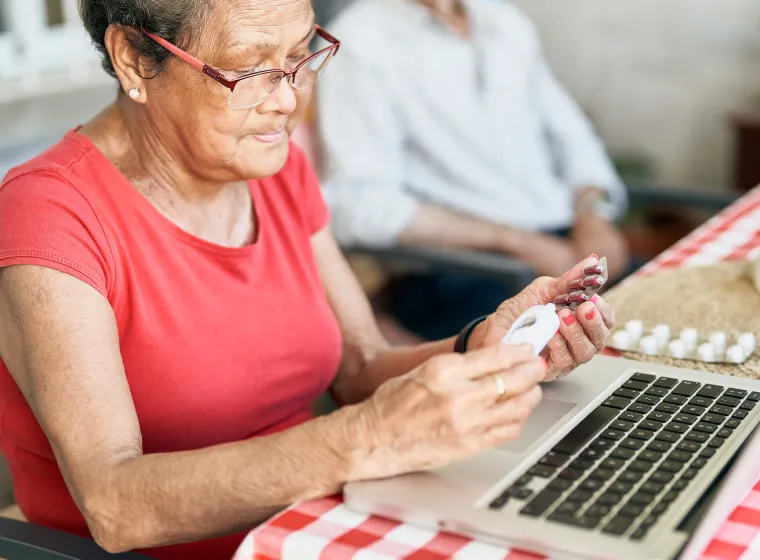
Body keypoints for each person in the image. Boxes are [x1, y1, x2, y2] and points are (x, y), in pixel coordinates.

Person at [0, 0, 613, 558]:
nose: (289, 99)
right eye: (250, 69)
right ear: (134, 57)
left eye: (299, 57)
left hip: (318, 533)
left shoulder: (273, 163)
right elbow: (115, 505)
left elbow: (358, 370)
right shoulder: (49, 214)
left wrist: (485, 346)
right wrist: (367, 439)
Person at [317, 0, 631, 341]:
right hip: (466, 272)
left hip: (565, 245)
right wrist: (516, 242)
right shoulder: (361, 40)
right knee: (606, 351)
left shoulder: (504, 22)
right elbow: (359, 204)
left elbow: (574, 139)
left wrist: (593, 216)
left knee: (669, 320)